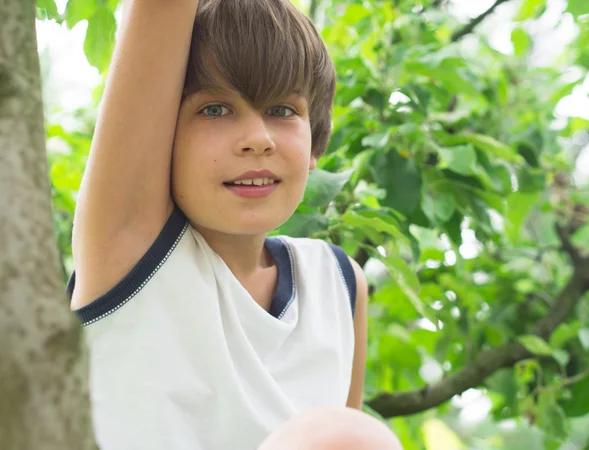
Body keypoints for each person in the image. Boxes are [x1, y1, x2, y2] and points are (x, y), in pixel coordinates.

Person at [67, 0, 402, 448]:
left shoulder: (339, 286)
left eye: (282, 110)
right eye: (214, 110)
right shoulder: (130, 248)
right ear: (161, 132)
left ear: (315, 141)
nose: (257, 140)